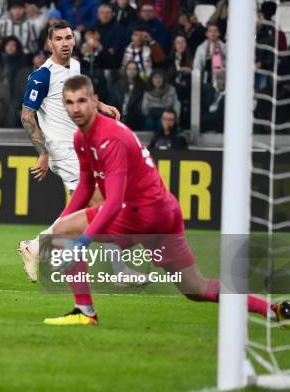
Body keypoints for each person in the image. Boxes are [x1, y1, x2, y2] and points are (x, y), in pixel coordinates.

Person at [42, 74, 288, 326]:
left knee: (65, 233)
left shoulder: (109, 139)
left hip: (140, 213)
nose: (75, 108)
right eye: (69, 102)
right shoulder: (81, 137)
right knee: (196, 287)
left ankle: (85, 311)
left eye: (81, 101)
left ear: (95, 101)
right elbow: (85, 185)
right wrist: (57, 225)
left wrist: (79, 241)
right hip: (164, 212)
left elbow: (113, 203)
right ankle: (272, 309)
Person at [17, 20, 137, 284]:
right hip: (63, 151)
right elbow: (27, 115)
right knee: (102, 205)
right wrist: (43, 152)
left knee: (89, 208)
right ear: (49, 43)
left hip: (82, 147)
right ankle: (119, 272)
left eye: (68, 37)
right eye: (58, 39)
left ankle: (35, 246)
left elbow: (78, 95)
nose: (65, 43)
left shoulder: (75, 66)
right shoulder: (42, 76)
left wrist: (100, 105)